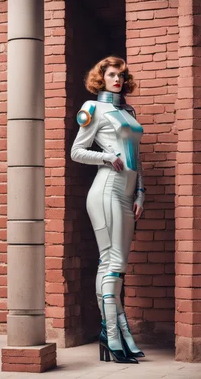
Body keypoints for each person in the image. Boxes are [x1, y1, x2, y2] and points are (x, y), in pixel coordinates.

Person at [71, 56, 145, 364]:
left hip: (128, 193)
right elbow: (76, 151)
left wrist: (141, 191)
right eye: (112, 74)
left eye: (121, 75)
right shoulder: (92, 108)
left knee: (114, 265)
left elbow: (136, 156)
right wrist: (105, 157)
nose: (117, 79)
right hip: (106, 189)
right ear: (101, 78)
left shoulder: (128, 110)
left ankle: (116, 334)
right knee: (113, 264)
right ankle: (113, 335)